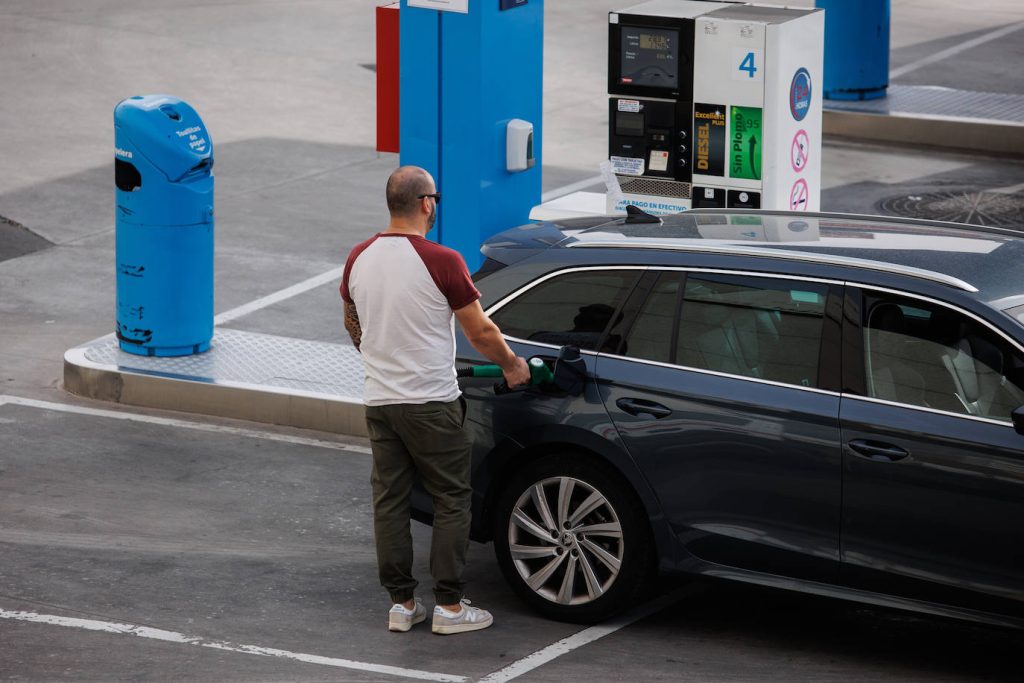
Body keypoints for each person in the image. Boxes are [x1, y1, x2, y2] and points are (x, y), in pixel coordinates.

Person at [339, 165, 530, 635]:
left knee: (389, 500)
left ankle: (402, 605)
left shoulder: (358, 257)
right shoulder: (442, 260)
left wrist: (379, 358)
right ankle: (448, 606)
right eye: (436, 200)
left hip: (380, 401)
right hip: (430, 401)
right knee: (451, 498)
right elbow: (480, 329)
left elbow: (351, 322)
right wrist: (512, 364)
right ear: (426, 204)